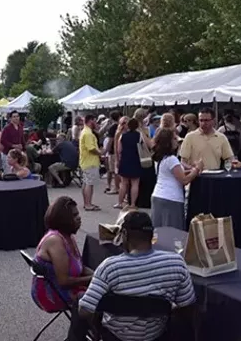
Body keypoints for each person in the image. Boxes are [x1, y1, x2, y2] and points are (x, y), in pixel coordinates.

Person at [74, 211, 195, 341]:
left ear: (124, 234)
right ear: (152, 235)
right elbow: (187, 306)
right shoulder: (176, 263)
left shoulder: (109, 267)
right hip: (156, 335)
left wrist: (97, 324)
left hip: (115, 337)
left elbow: (84, 310)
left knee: (80, 299)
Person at [32, 197, 92, 312]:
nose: (79, 218)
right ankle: (84, 322)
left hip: (62, 288)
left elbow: (80, 267)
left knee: (103, 289)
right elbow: (63, 282)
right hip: (52, 294)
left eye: (78, 214)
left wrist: (98, 275)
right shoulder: (55, 240)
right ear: (63, 219)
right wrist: (92, 279)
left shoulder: (68, 236)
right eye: (74, 216)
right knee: (98, 297)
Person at [152, 128, 203, 230]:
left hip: (158, 196)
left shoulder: (162, 158)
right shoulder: (172, 159)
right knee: (173, 232)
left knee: (159, 231)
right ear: (168, 142)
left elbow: (174, 174)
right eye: (174, 139)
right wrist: (197, 168)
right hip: (171, 198)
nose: (177, 141)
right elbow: (184, 180)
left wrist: (191, 171)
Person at [117, 118, 143, 209]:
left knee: (123, 183)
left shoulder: (123, 136)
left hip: (125, 160)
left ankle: (120, 203)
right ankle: (133, 204)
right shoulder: (139, 136)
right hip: (136, 160)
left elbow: (119, 150)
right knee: (135, 183)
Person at [79, 115, 101, 211]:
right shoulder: (88, 133)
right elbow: (91, 148)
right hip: (90, 162)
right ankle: (88, 204)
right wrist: (100, 153)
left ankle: (87, 203)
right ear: (90, 121)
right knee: (89, 183)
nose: (96, 123)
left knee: (86, 182)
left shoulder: (85, 131)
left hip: (86, 161)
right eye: (95, 121)